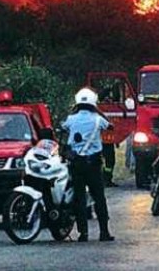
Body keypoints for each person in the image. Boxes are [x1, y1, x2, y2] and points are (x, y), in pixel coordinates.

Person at [62, 87, 115, 242]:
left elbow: (64, 127)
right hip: (93, 163)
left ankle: (83, 233)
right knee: (99, 197)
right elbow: (110, 126)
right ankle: (104, 232)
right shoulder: (98, 119)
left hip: (76, 164)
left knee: (79, 198)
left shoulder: (71, 119)